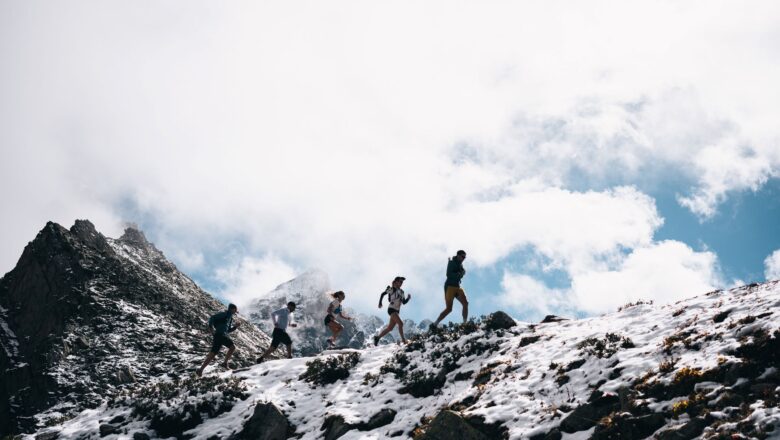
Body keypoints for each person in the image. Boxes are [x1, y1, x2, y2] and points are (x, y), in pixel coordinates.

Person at [197, 303, 241, 376]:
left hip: (218, 335)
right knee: (232, 347)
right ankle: (224, 363)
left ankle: (200, 370)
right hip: (220, 335)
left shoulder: (230, 318)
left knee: (213, 353)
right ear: (232, 309)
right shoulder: (224, 314)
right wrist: (210, 328)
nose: (236, 311)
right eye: (235, 310)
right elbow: (212, 317)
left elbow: (228, 330)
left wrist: (235, 327)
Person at [432, 250, 469, 328]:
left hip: (457, 287)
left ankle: (465, 324)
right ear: (458, 255)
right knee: (449, 309)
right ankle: (435, 324)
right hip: (449, 287)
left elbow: (461, 274)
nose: (464, 258)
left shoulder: (460, 265)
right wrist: (459, 274)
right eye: (462, 256)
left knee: (465, 303)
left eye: (464, 257)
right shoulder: (451, 262)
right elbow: (448, 274)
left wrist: (462, 273)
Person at [374, 276, 411, 346]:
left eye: (402, 282)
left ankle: (377, 338)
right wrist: (380, 303)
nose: (401, 283)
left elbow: (404, 302)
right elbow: (382, 294)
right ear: (396, 282)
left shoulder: (402, 292)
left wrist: (408, 298)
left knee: (390, 328)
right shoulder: (392, 289)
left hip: (396, 311)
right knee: (401, 323)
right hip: (391, 309)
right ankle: (404, 340)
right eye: (400, 281)